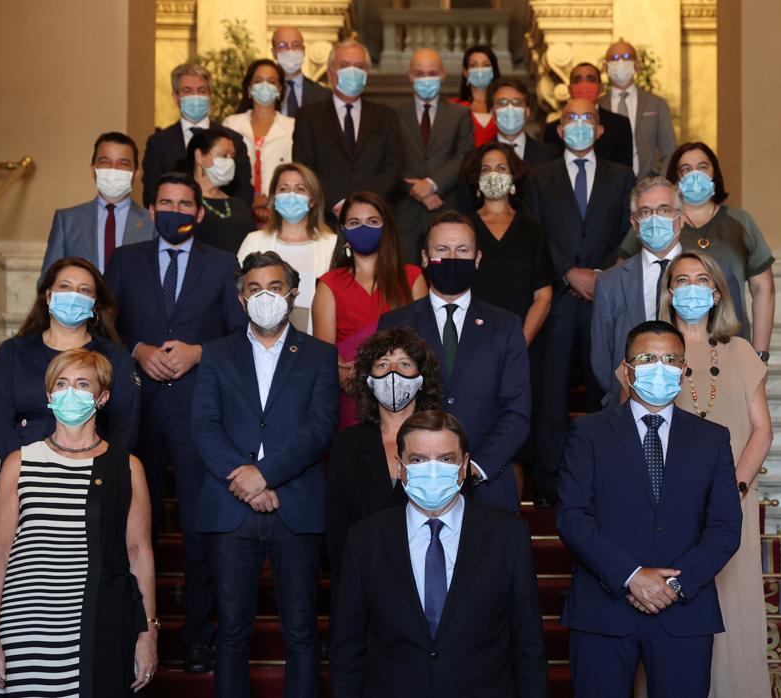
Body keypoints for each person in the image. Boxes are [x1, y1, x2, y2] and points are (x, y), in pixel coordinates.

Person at [104, 172, 246, 674]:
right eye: (166, 202)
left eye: (186, 204)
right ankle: (128, 628)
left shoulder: (224, 266)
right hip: (134, 414)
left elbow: (238, 337)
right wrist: (138, 350)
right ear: (151, 208)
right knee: (126, 524)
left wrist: (199, 352)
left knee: (197, 529)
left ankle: (198, 635)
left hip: (198, 415)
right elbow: (105, 328)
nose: (176, 211)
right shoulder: (125, 261)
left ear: (200, 212)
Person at [557, 321, 742, 698]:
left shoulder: (712, 438)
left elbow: (725, 526)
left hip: (685, 612)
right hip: (603, 609)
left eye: (670, 359)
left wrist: (675, 584)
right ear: (627, 370)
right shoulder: (588, 433)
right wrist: (631, 575)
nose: (659, 367)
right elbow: (573, 516)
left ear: (683, 368)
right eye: (646, 358)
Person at [190, 251, 339, 698]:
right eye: (254, 289)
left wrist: (265, 475)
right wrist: (245, 478)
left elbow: (320, 428)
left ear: (293, 292)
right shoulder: (216, 354)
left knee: (301, 631)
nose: (265, 296)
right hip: (230, 506)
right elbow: (204, 426)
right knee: (232, 633)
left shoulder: (319, 355)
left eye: (275, 287)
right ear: (241, 299)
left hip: (296, 504)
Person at [329, 410, 548, 697]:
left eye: (445, 459)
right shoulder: (365, 539)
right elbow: (348, 649)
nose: (432, 470)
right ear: (400, 467)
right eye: (418, 460)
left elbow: (529, 647)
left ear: (464, 465)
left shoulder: (508, 536)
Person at [0, 349, 158, 696]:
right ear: (48, 396)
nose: (69, 392)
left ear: (102, 398)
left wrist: (148, 633)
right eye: (61, 384)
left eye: (81, 384)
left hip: (99, 622)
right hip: (25, 624)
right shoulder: (19, 462)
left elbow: (139, 553)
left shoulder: (127, 467)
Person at [661, 252, 772, 697]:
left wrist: (732, 490)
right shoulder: (650, 352)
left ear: (716, 291)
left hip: (734, 507)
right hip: (671, 512)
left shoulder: (741, 352)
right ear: (669, 293)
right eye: (681, 279)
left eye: (700, 278)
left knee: (735, 611)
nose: (691, 287)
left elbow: (762, 430)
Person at [378, 212, 531, 512]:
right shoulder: (395, 323)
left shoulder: (506, 326)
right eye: (442, 251)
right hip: (414, 484)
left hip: (487, 484)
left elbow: (517, 412)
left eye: (462, 250)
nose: (452, 258)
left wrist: (473, 468)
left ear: (477, 258)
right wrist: (422, 464)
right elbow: (386, 404)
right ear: (424, 257)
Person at [526, 97, 636, 507]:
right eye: (570, 117)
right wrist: (568, 273)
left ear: (600, 129)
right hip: (556, 298)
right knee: (550, 392)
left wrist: (599, 275)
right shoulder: (538, 177)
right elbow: (535, 232)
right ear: (558, 129)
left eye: (587, 118)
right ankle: (549, 482)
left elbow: (628, 232)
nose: (578, 124)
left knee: (604, 388)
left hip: (605, 297)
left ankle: (601, 477)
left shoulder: (623, 176)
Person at [620, 142, 776, 354]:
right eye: (685, 169)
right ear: (675, 178)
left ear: (715, 173)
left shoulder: (740, 221)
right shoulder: (656, 223)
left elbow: (763, 289)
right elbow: (623, 278)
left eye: (702, 167)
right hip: (667, 349)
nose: (695, 174)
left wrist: (761, 354)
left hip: (728, 342)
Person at [0, 257, 140, 465]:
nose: (74, 295)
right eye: (65, 286)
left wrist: (102, 469)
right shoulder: (13, 352)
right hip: (25, 469)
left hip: (95, 472)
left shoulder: (115, 355)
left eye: (84, 290)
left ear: (95, 305)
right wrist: (25, 464)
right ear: (49, 296)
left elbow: (125, 426)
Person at [325, 327, 443, 575]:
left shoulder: (443, 440)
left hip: (428, 577)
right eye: (382, 365)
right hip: (365, 577)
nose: (393, 374)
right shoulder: (347, 444)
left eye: (404, 364)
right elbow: (337, 528)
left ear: (421, 379)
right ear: (369, 380)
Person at [314, 192, 428, 427]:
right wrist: (358, 379)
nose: (363, 228)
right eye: (355, 223)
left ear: (386, 228)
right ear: (343, 230)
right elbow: (325, 359)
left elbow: (424, 347)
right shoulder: (329, 285)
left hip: (407, 402)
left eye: (373, 222)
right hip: (351, 402)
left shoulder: (413, 278)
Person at [592, 176, 684, 402]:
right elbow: (602, 358)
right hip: (629, 406)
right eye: (645, 212)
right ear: (634, 223)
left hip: (696, 404)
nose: (654, 219)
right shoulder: (609, 282)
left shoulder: (711, 274)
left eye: (664, 210)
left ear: (680, 219)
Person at [292, 39, 404, 222]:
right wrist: (334, 204)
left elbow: (392, 168)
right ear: (330, 73)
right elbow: (305, 167)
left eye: (359, 66)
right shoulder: (308, 117)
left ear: (366, 73)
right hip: (324, 219)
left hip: (374, 218)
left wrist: (362, 206)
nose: (352, 72)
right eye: (344, 65)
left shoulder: (386, 117)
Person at [462, 143, 552, 343]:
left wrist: (519, 344)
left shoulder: (533, 230)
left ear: (513, 178)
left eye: (501, 168)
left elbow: (543, 297)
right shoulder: (462, 229)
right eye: (486, 169)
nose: (493, 174)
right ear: (477, 180)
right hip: (470, 340)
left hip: (521, 342)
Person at [236, 162, 337, 333]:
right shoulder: (254, 241)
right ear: (274, 198)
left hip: (313, 341)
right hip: (258, 338)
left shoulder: (331, 243)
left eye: (300, 189)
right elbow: (237, 294)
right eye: (284, 189)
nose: (291, 195)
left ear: (312, 200)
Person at [395, 48, 475, 262]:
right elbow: (389, 160)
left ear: (443, 75)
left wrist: (431, 184)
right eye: (420, 74)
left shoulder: (460, 115)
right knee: (406, 283)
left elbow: (464, 156)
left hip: (446, 211)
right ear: (410, 76)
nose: (426, 79)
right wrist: (415, 189)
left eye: (432, 73)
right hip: (405, 218)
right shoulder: (394, 115)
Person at [40, 132, 154, 280]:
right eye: (105, 162)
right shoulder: (67, 221)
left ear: (136, 173)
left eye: (123, 163)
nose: (113, 169)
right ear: (93, 170)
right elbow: (48, 280)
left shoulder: (152, 222)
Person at [142, 61, 254, 207]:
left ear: (210, 95)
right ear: (176, 97)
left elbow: (243, 190)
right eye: (187, 91)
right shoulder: (158, 143)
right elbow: (151, 193)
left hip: (224, 220)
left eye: (201, 91)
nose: (195, 96)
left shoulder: (233, 139)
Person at [223, 59, 295, 226]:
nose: (264, 86)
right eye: (258, 81)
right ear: (249, 88)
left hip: (280, 214)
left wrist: (269, 200)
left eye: (271, 82)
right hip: (237, 211)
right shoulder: (231, 124)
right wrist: (250, 201)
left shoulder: (292, 127)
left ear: (280, 89)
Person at [602, 40, 677, 178]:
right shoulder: (598, 106)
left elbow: (669, 152)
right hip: (608, 186)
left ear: (636, 65)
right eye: (614, 58)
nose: (620, 63)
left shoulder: (656, 104)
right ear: (605, 67)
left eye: (625, 57)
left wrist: (661, 181)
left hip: (647, 185)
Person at [543, 63, 633, 168]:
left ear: (601, 88)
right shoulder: (552, 129)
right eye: (578, 80)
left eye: (590, 80)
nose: (584, 84)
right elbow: (549, 172)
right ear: (569, 89)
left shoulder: (620, 125)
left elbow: (625, 171)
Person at [183, 128, 257, 255]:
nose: (229, 162)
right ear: (199, 156)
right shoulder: (184, 204)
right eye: (223, 155)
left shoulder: (240, 206)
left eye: (232, 157)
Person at [489, 77, 561, 167]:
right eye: (502, 103)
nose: (510, 108)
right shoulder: (477, 157)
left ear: (527, 112)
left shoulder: (551, 156)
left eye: (516, 103)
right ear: (492, 114)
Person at [272, 26, 330, 118]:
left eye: (296, 45)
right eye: (282, 45)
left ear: (303, 50)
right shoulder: (264, 92)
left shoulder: (324, 96)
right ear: (274, 53)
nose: (290, 50)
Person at [451, 45, 500, 147]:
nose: (480, 70)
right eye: (473, 65)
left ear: (493, 71)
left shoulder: (503, 106)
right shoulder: (452, 107)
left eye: (486, 65)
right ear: (465, 72)